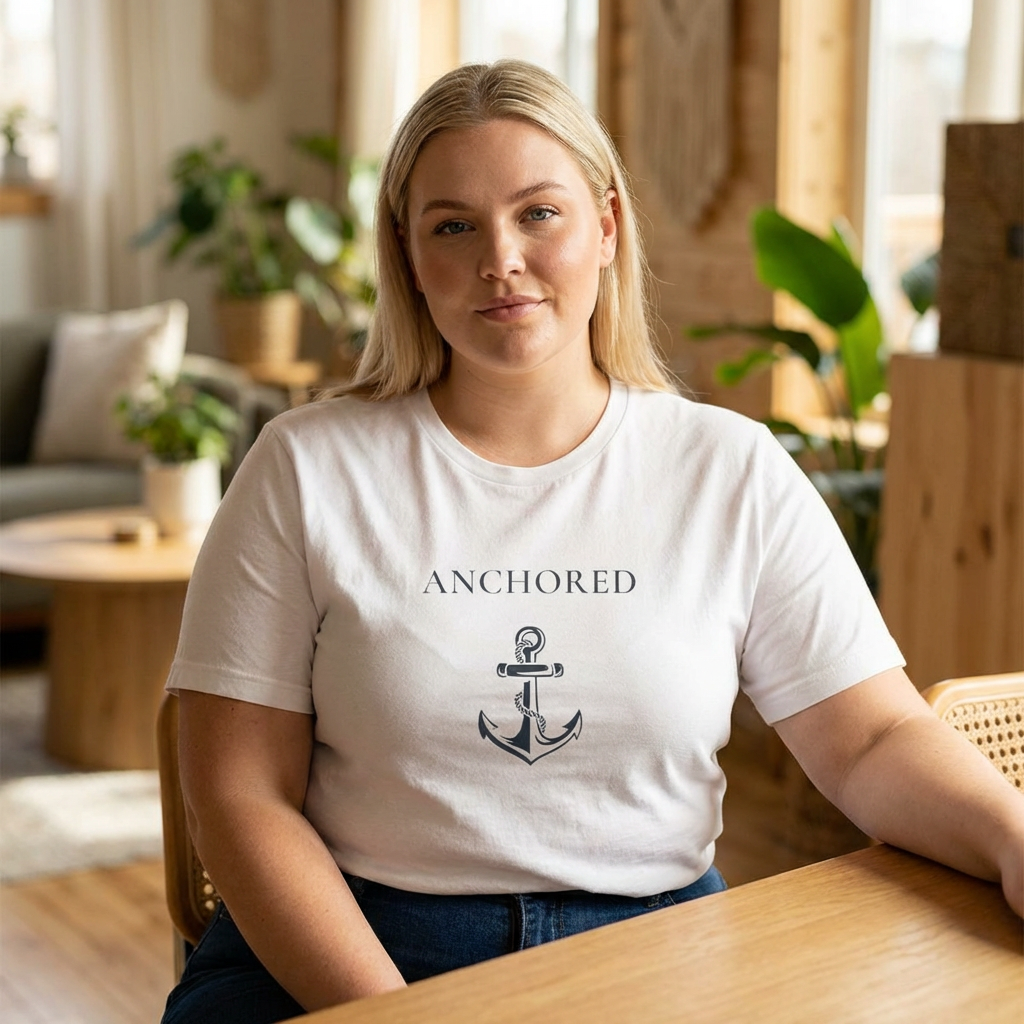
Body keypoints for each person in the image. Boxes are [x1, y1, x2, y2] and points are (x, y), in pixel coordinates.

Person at [161, 60, 1024, 1024]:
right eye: (453, 225)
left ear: (606, 226)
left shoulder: (730, 470)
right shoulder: (304, 469)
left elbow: (871, 738)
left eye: (540, 213)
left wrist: (1012, 840)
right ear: (408, 257)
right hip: (350, 940)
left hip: (652, 950)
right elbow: (241, 800)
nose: (501, 259)